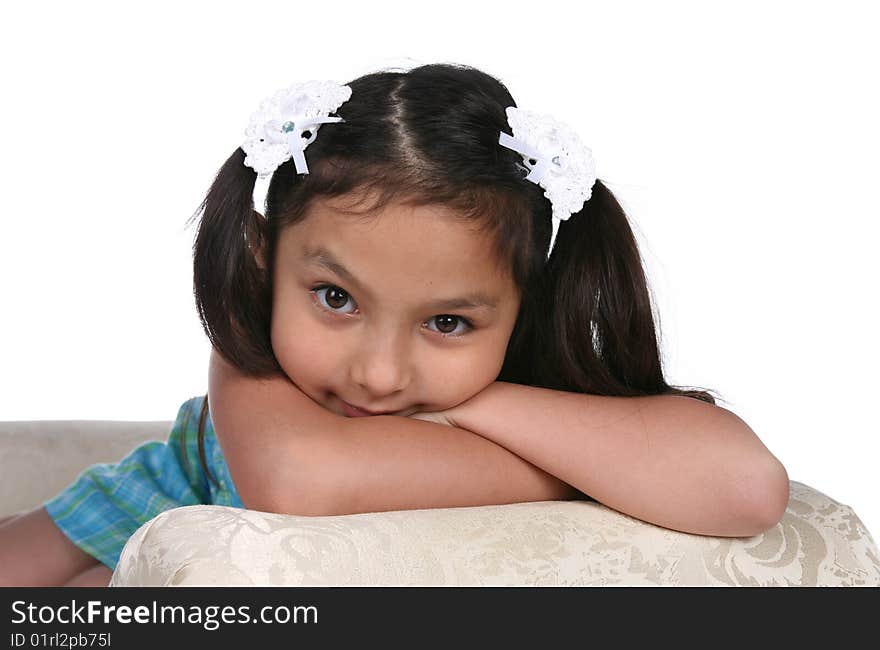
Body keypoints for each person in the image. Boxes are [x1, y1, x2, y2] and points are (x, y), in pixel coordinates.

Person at [0, 62, 789, 587]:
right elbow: (298, 479)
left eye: (447, 321)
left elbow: (748, 487)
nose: (379, 373)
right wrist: (576, 471)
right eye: (335, 298)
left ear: (526, 308)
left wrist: (481, 407)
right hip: (153, 507)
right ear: (266, 259)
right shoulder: (253, 356)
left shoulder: (518, 382)